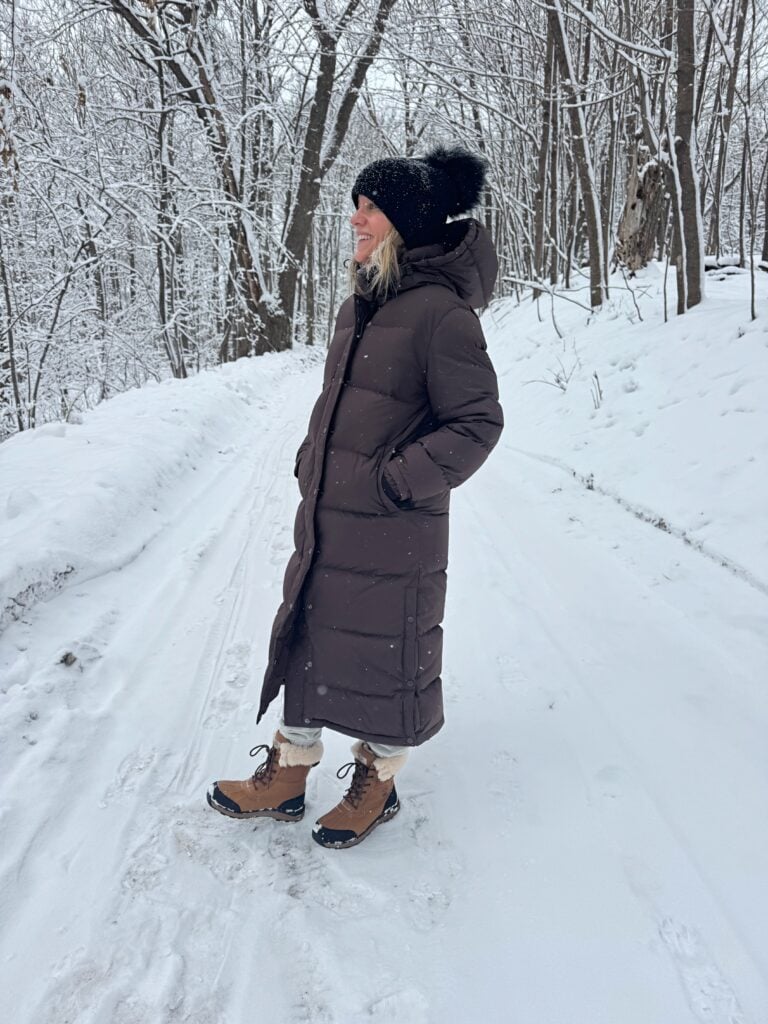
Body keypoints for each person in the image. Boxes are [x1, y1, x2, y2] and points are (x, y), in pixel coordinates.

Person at [207, 145, 504, 849]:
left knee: (384, 653)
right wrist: (316, 459)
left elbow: (478, 423)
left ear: (404, 220)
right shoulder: (363, 302)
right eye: (357, 205)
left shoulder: (440, 313)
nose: (356, 219)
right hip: (331, 519)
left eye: (369, 208)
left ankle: (378, 780)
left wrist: (395, 482)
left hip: (393, 527)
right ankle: (286, 771)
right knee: (309, 638)